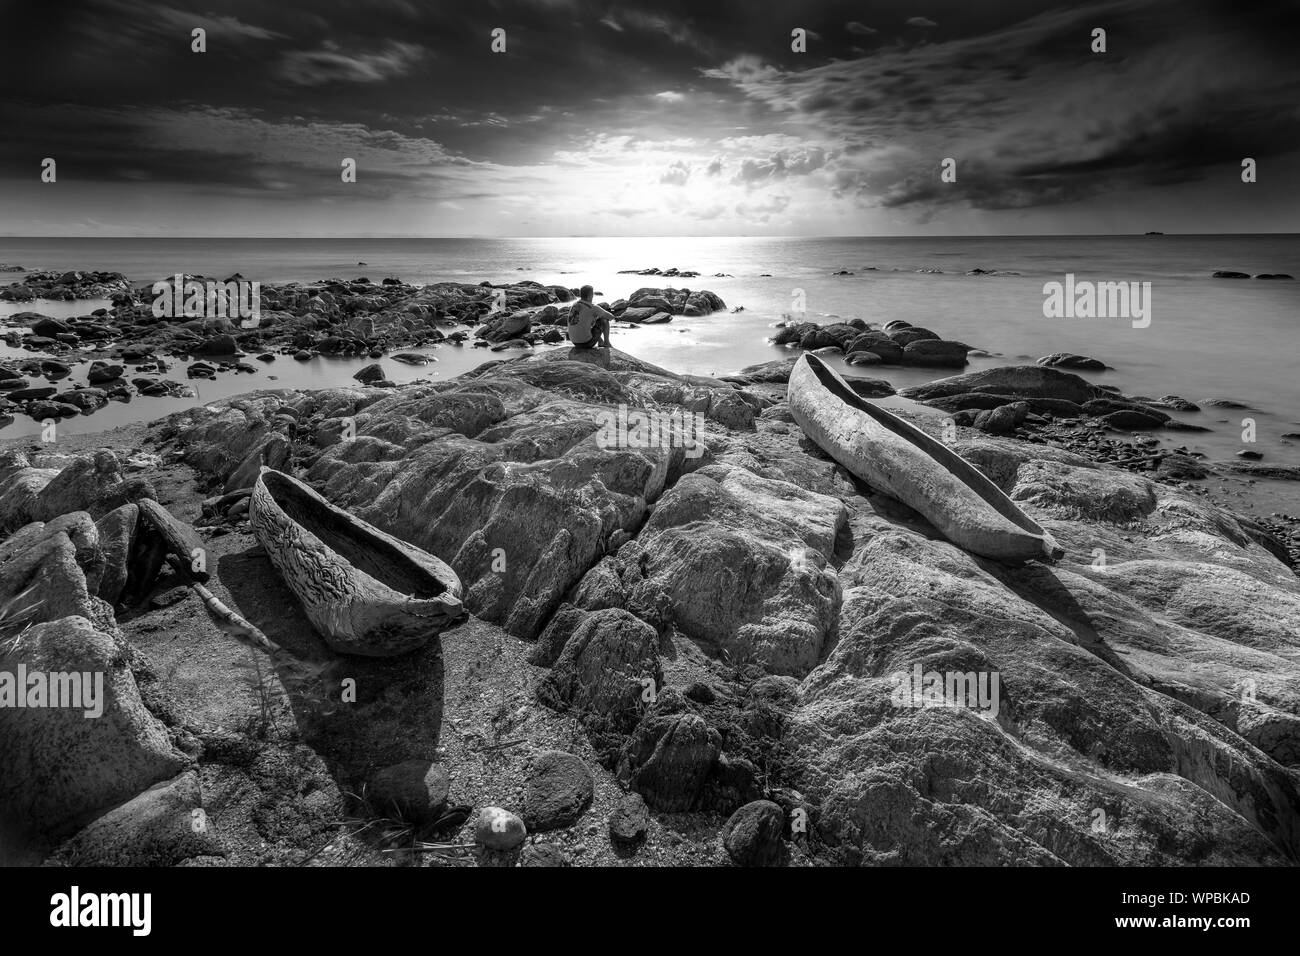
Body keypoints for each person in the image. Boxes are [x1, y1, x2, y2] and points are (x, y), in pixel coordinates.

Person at [566, 285, 613, 349]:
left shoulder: (574, 305)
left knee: (587, 321)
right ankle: (607, 343)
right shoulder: (592, 307)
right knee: (604, 320)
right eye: (592, 294)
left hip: (575, 342)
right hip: (586, 343)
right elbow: (610, 317)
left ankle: (601, 342)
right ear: (589, 296)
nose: (593, 296)